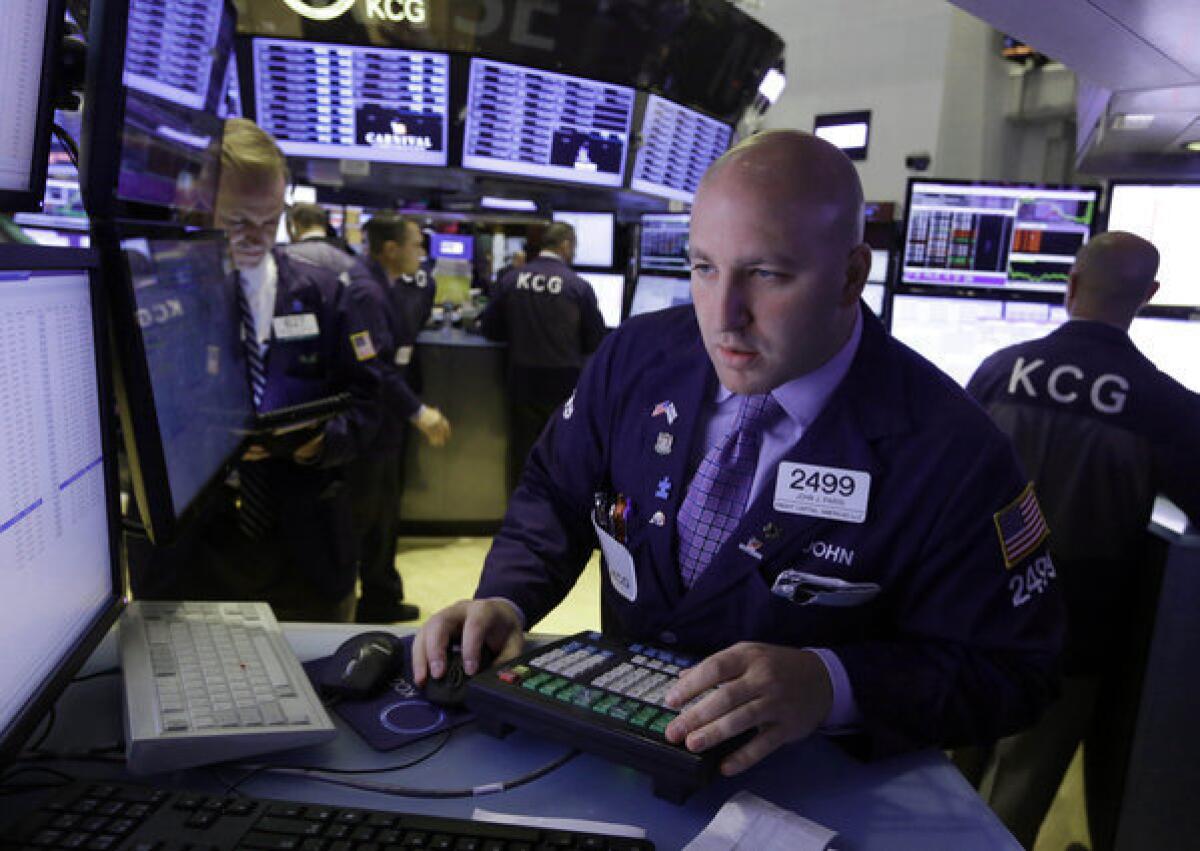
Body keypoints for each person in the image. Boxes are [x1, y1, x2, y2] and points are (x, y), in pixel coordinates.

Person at [413, 130, 1064, 773]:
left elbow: (1013, 670)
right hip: (620, 756)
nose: (723, 316)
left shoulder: (954, 451)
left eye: (765, 273)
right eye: (703, 267)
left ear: (851, 275)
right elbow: (556, 493)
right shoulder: (635, 357)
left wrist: (832, 683)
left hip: (812, 786)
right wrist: (508, 598)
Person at [959, 231, 1200, 849]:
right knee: (1017, 792)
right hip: (1075, 638)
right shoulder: (1167, 406)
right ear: (1147, 297)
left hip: (968, 615)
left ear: (1070, 283)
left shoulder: (996, 370)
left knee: (942, 771)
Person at [179, 118, 392, 622]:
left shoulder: (325, 292)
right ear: (199, 204)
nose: (256, 238)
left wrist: (322, 441)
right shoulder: (164, 294)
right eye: (237, 222)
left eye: (270, 219)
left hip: (306, 546)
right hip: (193, 547)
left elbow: (369, 400)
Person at [284, 203, 450, 623]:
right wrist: (418, 412)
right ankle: (346, 607)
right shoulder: (365, 290)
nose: (422, 251)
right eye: (416, 243)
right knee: (362, 518)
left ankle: (380, 599)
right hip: (370, 428)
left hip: (383, 425)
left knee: (381, 518)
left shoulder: (379, 284)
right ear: (390, 248)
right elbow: (372, 365)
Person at [478, 223, 607, 490]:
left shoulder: (512, 279)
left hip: (521, 380)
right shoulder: (578, 286)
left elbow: (490, 329)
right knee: (559, 455)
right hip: (564, 385)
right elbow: (594, 340)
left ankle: (519, 516)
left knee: (522, 454)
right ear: (566, 246)